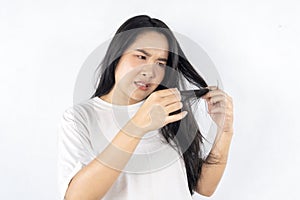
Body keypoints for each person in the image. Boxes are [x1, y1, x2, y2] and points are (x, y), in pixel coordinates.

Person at [57, 15, 234, 200]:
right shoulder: (80, 118)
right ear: (116, 56)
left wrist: (225, 131)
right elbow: (76, 197)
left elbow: (205, 186)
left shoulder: (170, 110)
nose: (149, 72)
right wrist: (137, 127)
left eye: (160, 63)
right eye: (141, 56)